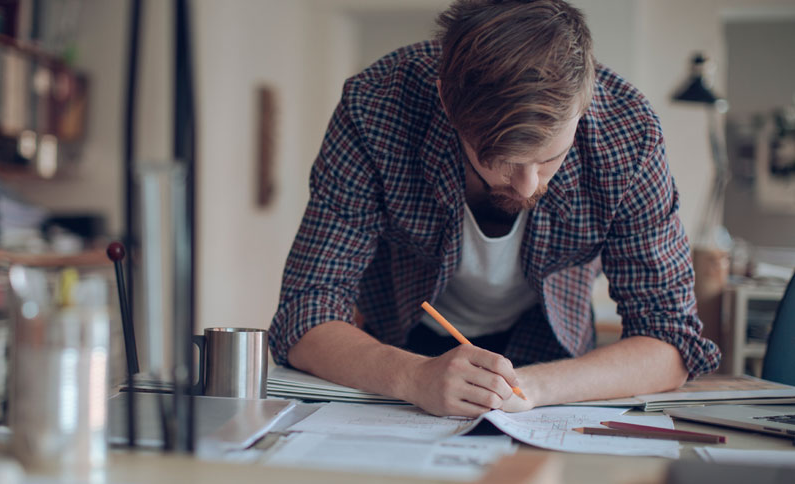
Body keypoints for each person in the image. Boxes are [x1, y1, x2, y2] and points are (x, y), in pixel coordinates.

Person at [269, 0, 720, 417]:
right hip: (400, 352)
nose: (527, 186)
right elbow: (305, 310)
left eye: (549, 159)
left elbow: (669, 339)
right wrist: (412, 376)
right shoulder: (376, 107)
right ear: (447, 100)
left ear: (584, 104)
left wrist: (532, 388)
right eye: (500, 159)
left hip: (555, 361)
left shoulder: (629, 133)